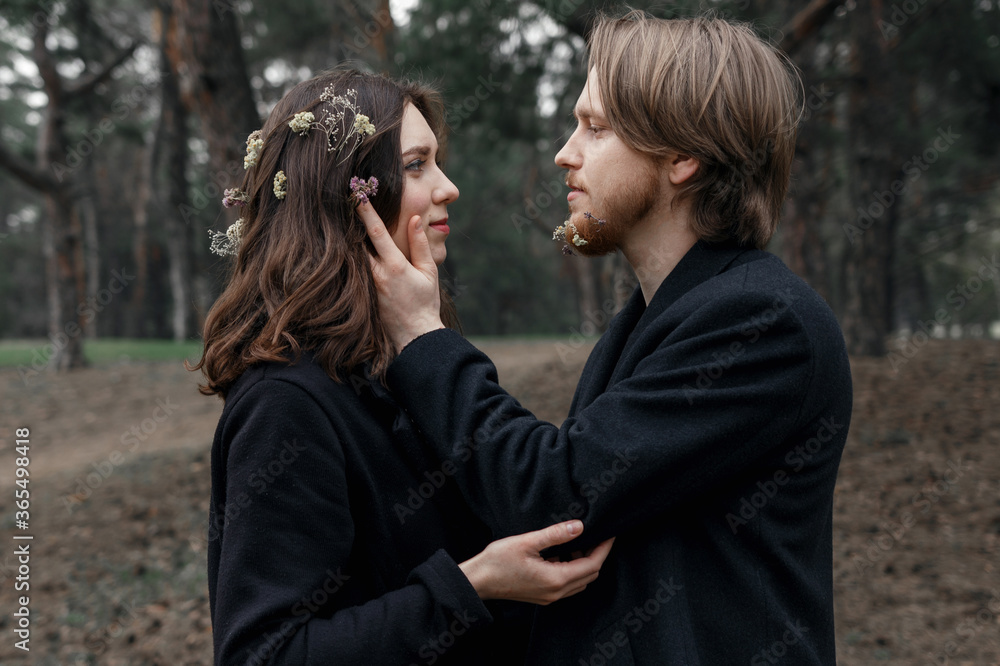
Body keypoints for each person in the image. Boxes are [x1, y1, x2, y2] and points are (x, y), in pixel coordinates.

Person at [359, 11, 853, 665]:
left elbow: (553, 499)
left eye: (595, 128)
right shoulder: (660, 318)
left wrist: (423, 335)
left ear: (682, 157)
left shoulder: (763, 322)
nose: (565, 153)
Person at [190, 68, 612, 665]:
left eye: (436, 162)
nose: (449, 188)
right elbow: (264, 655)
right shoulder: (285, 401)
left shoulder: (403, 362)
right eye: (416, 166)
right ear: (342, 196)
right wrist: (471, 586)